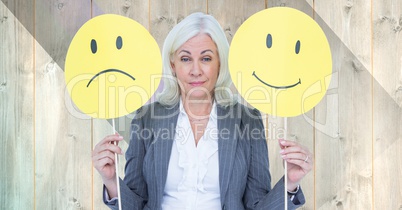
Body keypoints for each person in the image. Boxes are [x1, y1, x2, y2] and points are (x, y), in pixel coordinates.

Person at [92, 12, 313, 210]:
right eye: (185, 59)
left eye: (206, 59)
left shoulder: (247, 120)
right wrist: (111, 180)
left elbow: (257, 205)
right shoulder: (146, 119)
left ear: (220, 64)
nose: (195, 70)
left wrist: (290, 183)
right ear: (172, 65)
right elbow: (136, 202)